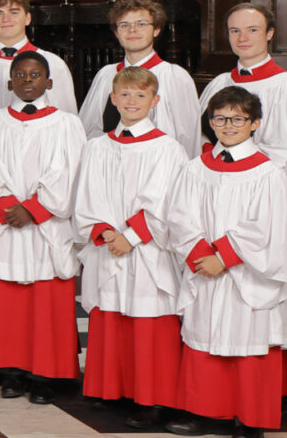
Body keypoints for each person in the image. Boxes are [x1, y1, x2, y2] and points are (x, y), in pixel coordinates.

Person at [165, 86, 287, 438]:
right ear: (210, 122)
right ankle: (205, 410)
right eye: (220, 118)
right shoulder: (196, 167)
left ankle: (250, 417)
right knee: (203, 336)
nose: (228, 125)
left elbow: (269, 230)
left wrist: (223, 258)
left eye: (238, 119)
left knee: (248, 342)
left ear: (255, 123)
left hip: (246, 275)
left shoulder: (267, 173)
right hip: (204, 269)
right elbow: (179, 216)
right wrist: (201, 255)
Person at [75, 66, 188, 430]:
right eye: (124, 94)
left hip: (148, 250)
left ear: (155, 101)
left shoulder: (167, 148)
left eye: (141, 95)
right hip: (109, 245)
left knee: (148, 320)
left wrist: (133, 235)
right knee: (112, 315)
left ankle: (154, 398)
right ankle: (114, 388)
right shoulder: (97, 147)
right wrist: (106, 231)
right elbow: (86, 196)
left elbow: (169, 201)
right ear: (112, 99)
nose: (132, 101)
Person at [0, 52, 83, 405]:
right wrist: (6, 208)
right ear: (10, 82)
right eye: (20, 75)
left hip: (45, 225)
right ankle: (11, 372)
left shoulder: (66, 124)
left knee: (45, 302)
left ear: (49, 82)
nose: (28, 80)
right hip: (4, 222)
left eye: (36, 75)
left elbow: (70, 174)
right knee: (7, 302)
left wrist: (33, 209)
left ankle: (45, 374)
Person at [80, 0, 202, 156]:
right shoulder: (106, 75)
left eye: (141, 24)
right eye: (124, 25)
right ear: (116, 32)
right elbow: (88, 130)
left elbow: (188, 138)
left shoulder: (175, 77)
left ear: (156, 30)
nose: (133, 30)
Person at [196, 4, 287, 164]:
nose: (242, 38)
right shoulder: (218, 84)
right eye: (235, 31)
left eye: (252, 30)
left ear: (269, 33)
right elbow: (200, 137)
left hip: (265, 181)